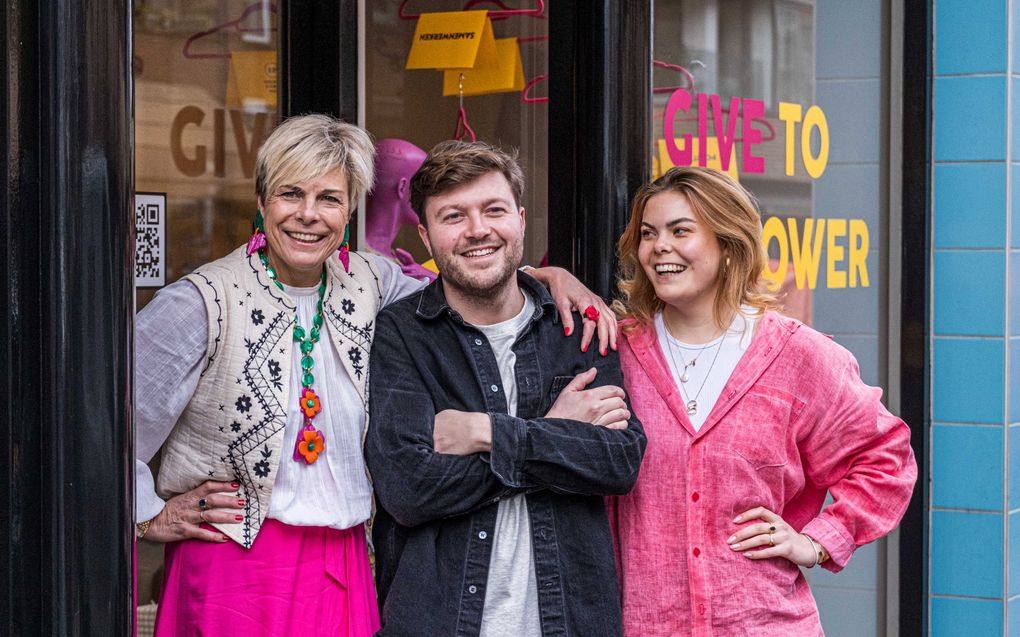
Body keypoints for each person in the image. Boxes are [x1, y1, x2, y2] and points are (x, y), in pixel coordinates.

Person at [133, 114, 618, 636]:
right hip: (237, 569)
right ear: (261, 201)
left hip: (346, 565)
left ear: (351, 209)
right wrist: (148, 516)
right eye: (290, 194)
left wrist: (547, 277)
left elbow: (469, 278)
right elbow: (100, 429)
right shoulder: (201, 302)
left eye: (330, 198)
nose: (308, 215)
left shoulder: (374, 282)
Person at [607, 166, 917, 636]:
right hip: (643, 624)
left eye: (680, 230)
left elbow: (885, 460)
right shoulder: (617, 353)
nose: (659, 247)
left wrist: (815, 542)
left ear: (728, 244)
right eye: (648, 234)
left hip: (763, 623)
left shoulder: (799, 357)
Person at [365, 140, 647, 636]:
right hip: (440, 622)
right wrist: (557, 433)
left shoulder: (576, 324)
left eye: (493, 210)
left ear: (518, 219)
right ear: (426, 239)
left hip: (569, 622)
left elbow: (618, 461)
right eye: (453, 216)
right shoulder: (402, 333)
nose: (478, 230)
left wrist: (488, 433)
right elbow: (409, 489)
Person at [365, 138, 436, 281]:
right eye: (424, 186)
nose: (431, 196)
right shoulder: (357, 258)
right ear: (402, 188)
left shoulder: (397, 261)